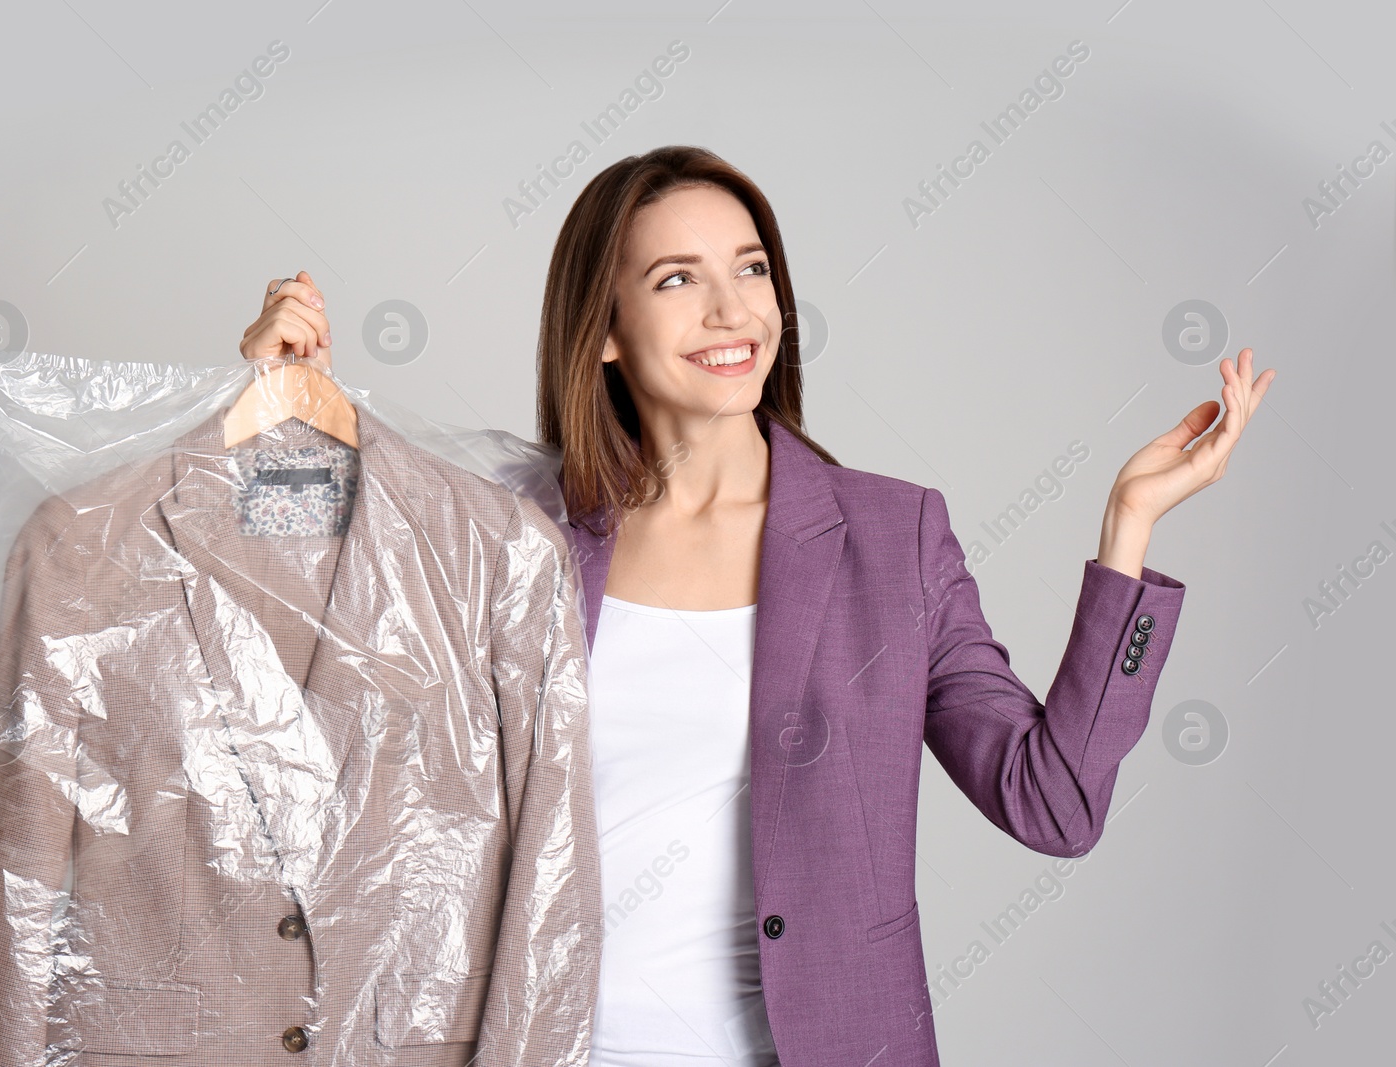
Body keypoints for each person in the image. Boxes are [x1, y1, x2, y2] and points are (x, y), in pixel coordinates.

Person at [237, 145, 1274, 1067]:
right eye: (677, 279)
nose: (732, 311)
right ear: (602, 331)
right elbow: (305, 637)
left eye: (751, 269)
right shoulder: (524, 530)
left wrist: (1128, 531)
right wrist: (279, 416)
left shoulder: (890, 536)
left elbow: (1051, 801)